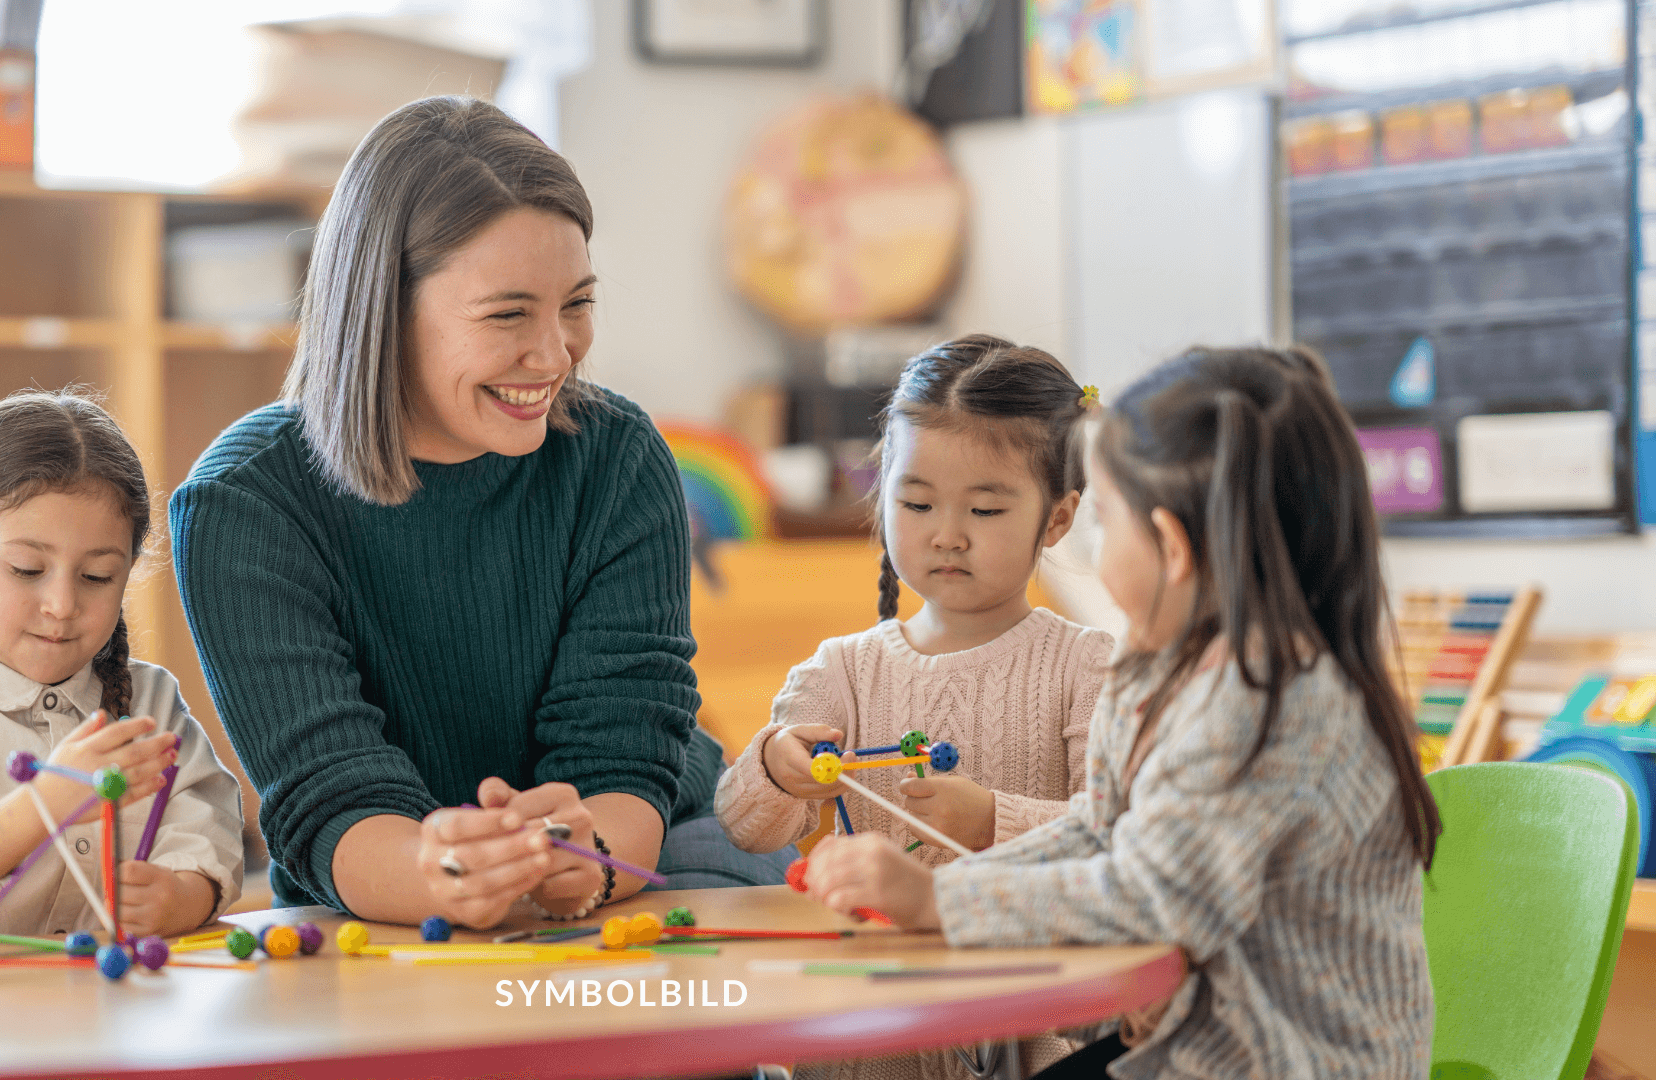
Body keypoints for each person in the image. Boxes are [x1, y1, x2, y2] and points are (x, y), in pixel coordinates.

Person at [170, 96, 791, 931]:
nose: (557, 352)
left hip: (660, 854)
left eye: (576, 303)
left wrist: (586, 864)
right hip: (389, 899)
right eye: (508, 314)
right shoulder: (243, 503)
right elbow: (328, 800)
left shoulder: (617, 457)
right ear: (382, 311)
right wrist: (449, 877)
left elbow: (626, 759)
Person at [799, 346, 1440, 1080]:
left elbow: (1152, 897)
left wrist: (940, 900)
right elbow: (1101, 831)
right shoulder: (1156, 671)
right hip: (1197, 1050)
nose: (1091, 545)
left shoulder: (1274, 702)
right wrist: (939, 896)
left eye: (1105, 519)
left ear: (1168, 546)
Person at [716, 335, 1113, 1077]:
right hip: (868, 1036)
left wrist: (994, 819)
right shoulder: (841, 671)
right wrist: (776, 767)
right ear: (882, 495)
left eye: (987, 509)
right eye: (917, 501)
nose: (947, 533)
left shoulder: (1086, 666)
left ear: (1057, 520)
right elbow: (743, 827)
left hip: (1029, 1032)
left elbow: (1123, 836)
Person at [0, 391, 243, 944]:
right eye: (27, 569)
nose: (62, 604)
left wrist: (181, 896)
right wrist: (46, 802)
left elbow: (209, 830)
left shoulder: (150, 704)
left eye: (98, 576)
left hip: (102, 1010)